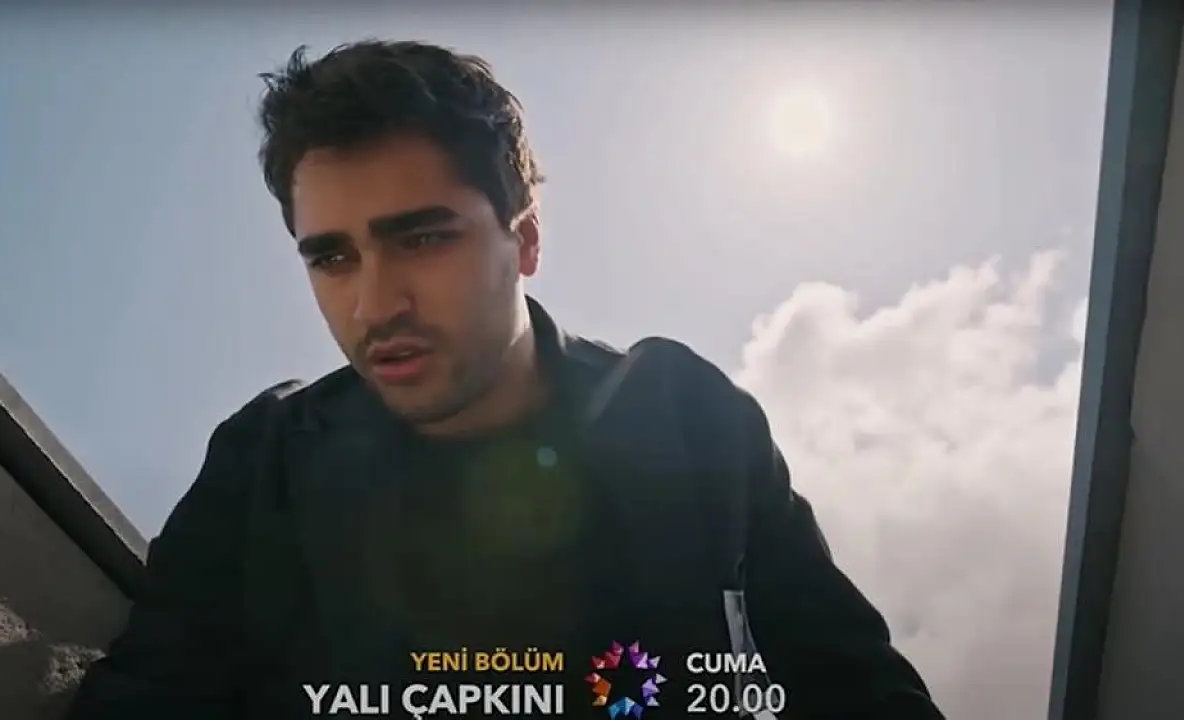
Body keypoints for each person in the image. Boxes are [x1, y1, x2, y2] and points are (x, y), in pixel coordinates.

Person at [66, 40, 943, 719]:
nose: (374, 304)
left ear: (524, 240)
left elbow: (853, 687)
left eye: (422, 238)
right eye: (332, 257)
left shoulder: (683, 413)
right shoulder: (265, 464)